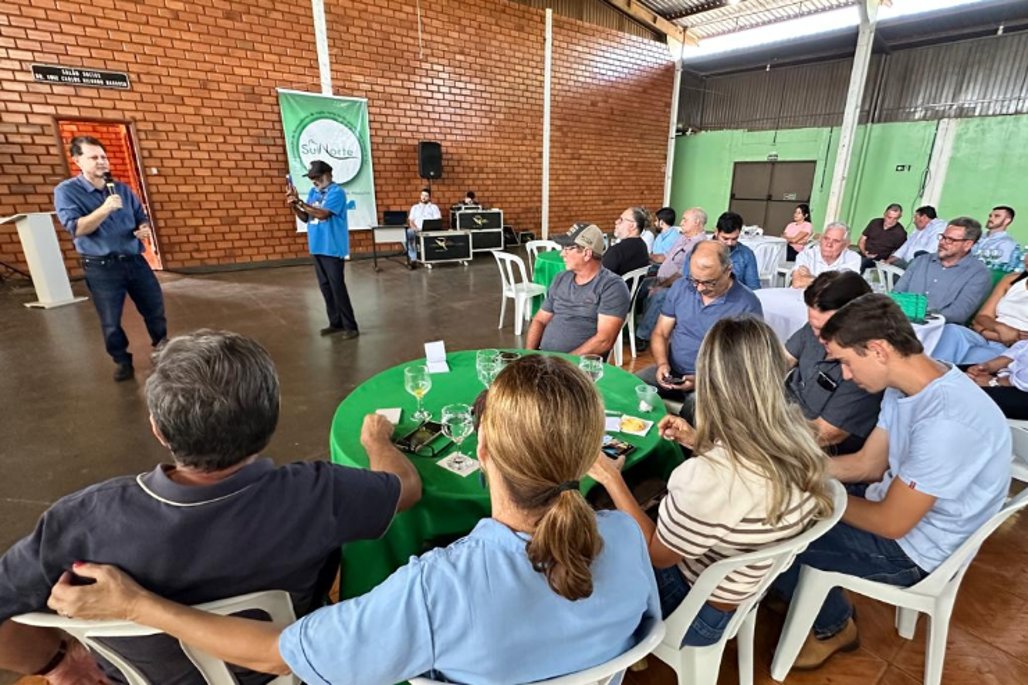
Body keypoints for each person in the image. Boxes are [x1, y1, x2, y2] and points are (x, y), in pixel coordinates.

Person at [46, 356, 661, 685]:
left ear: (481, 454)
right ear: (587, 457)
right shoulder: (629, 541)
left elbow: (275, 655)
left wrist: (135, 606)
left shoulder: (435, 590)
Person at [0, 330, 421, 683]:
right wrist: (376, 442)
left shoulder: (83, 519)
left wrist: (56, 665)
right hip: (286, 668)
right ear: (271, 416)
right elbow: (405, 488)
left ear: (158, 429)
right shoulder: (317, 493)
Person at [771, 294, 1010, 670]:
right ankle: (790, 582)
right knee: (777, 501)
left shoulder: (946, 422)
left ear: (878, 349)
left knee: (775, 533)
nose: (846, 375)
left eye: (847, 363)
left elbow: (890, 523)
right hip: (894, 507)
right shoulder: (909, 387)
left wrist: (816, 494)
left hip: (914, 550)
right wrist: (797, 468)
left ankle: (834, 627)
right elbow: (869, 464)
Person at [590, 317, 833, 644]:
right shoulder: (801, 440)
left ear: (712, 384)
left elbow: (657, 555)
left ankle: (619, 640)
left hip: (694, 609)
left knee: (593, 538)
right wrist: (697, 442)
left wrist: (610, 477)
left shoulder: (710, 476)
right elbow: (750, 473)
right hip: (741, 591)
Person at [53, 135, 167, 382]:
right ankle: (122, 361)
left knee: (155, 309)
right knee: (111, 320)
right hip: (101, 266)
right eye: (94, 157)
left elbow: (140, 217)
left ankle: (163, 351)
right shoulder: (67, 192)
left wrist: (144, 229)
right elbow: (76, 228)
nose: (102, 162)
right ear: (77, 161)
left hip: (135, 261)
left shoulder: (123, 189)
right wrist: (105, 208)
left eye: (103, 157)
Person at [637, 241, 763, 418]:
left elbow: (746, 363)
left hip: (716, 382)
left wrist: (702, 380)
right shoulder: (682, 287)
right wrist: (662, 363)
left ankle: (685, 444)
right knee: (634, 385)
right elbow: (661, 333)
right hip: (674, 371)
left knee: (696, 406)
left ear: (728, 270)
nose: (700, 288)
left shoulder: (747, 304)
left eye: (709, 282)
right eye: (695, 280)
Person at [785, 272, 882, 454]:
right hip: (785, 417)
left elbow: (826, 433)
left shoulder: (865, 364)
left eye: (825, 330)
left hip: (816, 452)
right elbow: (781, 360)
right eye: (813, 326)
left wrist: (762, 433)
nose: (818, 336)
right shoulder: (818, 326)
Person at [527, 223, 631, 356]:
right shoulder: (561, 278)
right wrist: (529, 356)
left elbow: (604, 340)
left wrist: (565, 364)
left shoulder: (612, 287)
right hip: (546, 360)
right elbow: (539, 320)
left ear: (587, 253)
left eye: (567, 249)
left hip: (578, 367)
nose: (561, 254)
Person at [286, 160, 358, 339]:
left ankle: (351, 326)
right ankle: (335, 323)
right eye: (312, 178)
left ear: (328, 175)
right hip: (316, 246)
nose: (314, 182)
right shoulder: (313, 192)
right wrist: (294, 205)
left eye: (317, 177)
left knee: (337, 287)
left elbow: (323, 214)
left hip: (332, 247)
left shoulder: (337, 192)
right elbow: (305, 218)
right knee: (325, 287)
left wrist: (301, 202)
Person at [932, 251, 1028, 364]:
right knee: (952, 330)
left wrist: (987, 332)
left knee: (963, 359)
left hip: (1013, 350)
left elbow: (1020, 339)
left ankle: (932, 374)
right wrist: (999, 327)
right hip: (988, 334)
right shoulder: (1011, 280)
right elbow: (983, 316)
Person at [893, 217, 991, 323]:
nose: (942, 243)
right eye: (943, 237)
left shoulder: (978, 273)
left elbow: (958, 314)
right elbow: (897, 294)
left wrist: (920, 315)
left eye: (950, 240)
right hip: (902, 322)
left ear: (967, 245)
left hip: (940, 329)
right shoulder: (921, 261)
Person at [635, 207, 708, 346]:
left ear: (697, 222)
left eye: (685, 220)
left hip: (679, 284)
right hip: (661, 277)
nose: (681, 222)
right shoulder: (683, 237)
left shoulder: (699, 244)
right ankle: (628, 327)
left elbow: (683, 272)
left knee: (659, 295)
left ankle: (642, 336)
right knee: (636, 286)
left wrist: (660, 285)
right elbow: (668, 257)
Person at [683, 211, 760, 290]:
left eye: (734, 239)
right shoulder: (698, 252)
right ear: (716, 232)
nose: (729, 243)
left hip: (735, 299)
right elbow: (686, 284)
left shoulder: (745, 254)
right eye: (725, 238)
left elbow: (753, 287)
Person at [791, 222, 862, 289]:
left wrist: (809, 278)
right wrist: (833, 282)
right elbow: (798, 282)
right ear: (821, 239)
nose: (829, 244)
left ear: (846, 244)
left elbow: (845, 286)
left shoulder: (853, 258)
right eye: (826, 239)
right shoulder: (807, 254)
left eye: (836, 241)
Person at [967, 344, 1028, 419]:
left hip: (1021, 386)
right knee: (954, 373)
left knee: (965, 392)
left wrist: (995, 381)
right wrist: (990, 366)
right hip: (1013, 374)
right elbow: (1023, 346)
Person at [603, 207, 652, 276]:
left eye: (621, 220)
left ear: (633, 226)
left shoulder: (617, 251)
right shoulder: (643, 246)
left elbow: (600, 278)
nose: (616, 222)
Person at [857, 203, 906, 271]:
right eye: (889, 217)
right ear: (885, 215)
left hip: (879, 260)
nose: (891, 221)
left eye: (895, 218)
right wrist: (864, 252)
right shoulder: (875, 222)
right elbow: (862, 240)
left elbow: (901, 252)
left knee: (860, 264)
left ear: (899, 217)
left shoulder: (900, 233)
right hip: (863, 253)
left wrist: (888, 261)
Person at [406, 187, 441, 268]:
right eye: (422, 195)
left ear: (429, 197)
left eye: (426, 196)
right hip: (416, 229)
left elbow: (437, 220)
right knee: (405, 235)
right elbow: (411, 221)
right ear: (420, 196)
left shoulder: (434, 207)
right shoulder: (415, 207)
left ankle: (421, 258)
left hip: (429, 230)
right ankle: (414, 257)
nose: (424, 197)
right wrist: (415, 228)